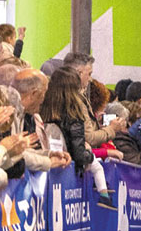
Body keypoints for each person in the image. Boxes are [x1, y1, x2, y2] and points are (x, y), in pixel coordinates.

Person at [40, 66, 114, 208]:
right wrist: (89, 155)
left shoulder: (43, 109)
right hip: (66, 171)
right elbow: (79, 153)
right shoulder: (74, 113)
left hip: (48, 173)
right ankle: (104, 196)